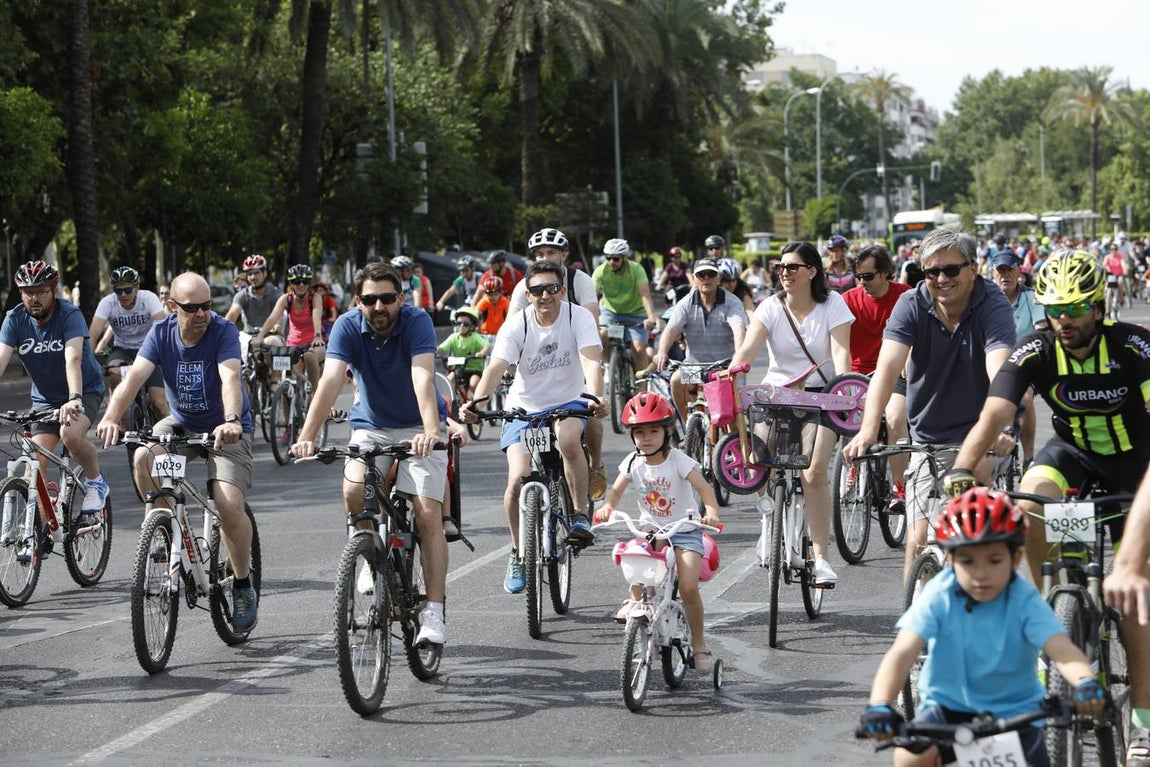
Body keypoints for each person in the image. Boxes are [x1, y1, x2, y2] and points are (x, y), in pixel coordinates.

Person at [941, 249, 1150, 765]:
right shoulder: (1035, 347)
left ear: (1099, 307)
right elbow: (994, 414)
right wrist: (962, 470)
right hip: (1071, 456)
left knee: (1134, 602)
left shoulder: (1134, 347)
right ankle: (1040, 620)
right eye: (1056, 307)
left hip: (1135, 465)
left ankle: (1143, 719)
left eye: (1076, 307)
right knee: (1028, 503)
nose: (1065, 319)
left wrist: (1130, 562)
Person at [859, 488, 1108, 767]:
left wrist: (1086, 682)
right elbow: (902, 653)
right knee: (908, 757)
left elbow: (1063, 651)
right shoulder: (939, 595)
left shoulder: (1023, 600)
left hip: (1017, 714)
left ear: (1015, 559)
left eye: (994, 560)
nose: (980, 573)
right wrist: (880, 704)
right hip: (947, 710)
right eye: (967, 561)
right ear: (950, 561)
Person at [291, 261, 451, 646]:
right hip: (372, 426)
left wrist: (430, 431)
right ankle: (368, 554)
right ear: (357, 300)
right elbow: (331, 379)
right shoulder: (347, 326)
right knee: (353, 491)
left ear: (400, 297)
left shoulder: (417, 322)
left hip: (419, 426)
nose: (379, 307)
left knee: (428, 512)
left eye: (387, 299)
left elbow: (422, 377)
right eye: (369, 299)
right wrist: (307, 434)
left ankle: (434, 612)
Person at [843, 229, 1016, 583]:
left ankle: (982, 597)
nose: (941, 279)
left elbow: (998, 368)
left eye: (951, 270)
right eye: (931, 272)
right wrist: (865, 430)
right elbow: (888, 368)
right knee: (918, 541)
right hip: (927, 435)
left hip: (978, 433)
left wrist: (998, 428)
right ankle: (915, 623)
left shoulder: (992, 303)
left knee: (974, 521)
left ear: (973, 269)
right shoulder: (912, 304)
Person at [96, 273, 258, 632]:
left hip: (226, 430)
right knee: (143, 456)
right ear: (172, 307)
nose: (201, 314)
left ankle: (243, 584)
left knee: (228, 502)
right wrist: (110, 417)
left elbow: (230, 378)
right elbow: (134, 378)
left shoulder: (222, 332)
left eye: (206, 306)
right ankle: (163, 526)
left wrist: (231, 420)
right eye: (191, 308)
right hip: (182, 423)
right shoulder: (161, 333)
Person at [459, 260, 608, 594]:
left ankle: (581, 515)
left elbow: (591, 361)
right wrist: (477, 402)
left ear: (563, 291)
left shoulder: (577, 316)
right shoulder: (517, 324)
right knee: (516, 479)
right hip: (523, 408)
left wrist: (595, 396)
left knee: (569, 438)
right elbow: (497, 366)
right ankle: (517, 552)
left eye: (552, 288)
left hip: (569, 401)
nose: (545, 296)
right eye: (538, 290)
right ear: (527, 294)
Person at [730, 241, 854, 586]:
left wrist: (843, 390)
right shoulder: (770, 307)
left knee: (813, 473)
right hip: (777, 395)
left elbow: (842, 356)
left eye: (792, 267)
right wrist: (733, 373)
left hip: (823, 397)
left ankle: (821, 558)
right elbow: (748, 351)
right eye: (780, 267)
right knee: (758, 459)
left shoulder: (834, 305)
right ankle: (769, 523)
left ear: (812, 271)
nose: (784, 273)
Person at [593, 392, 720, 672]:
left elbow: (704, 488)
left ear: (667, 432)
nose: (646, 438)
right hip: (653, 529)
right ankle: (636, 601)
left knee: (688, 587)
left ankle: (699, 646)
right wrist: (607, 507)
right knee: (637, 559)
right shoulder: (632, 462)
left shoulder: (678, 460)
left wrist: (711, 511)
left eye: (653, 431)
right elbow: (615, 491)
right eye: (639, 432)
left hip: (685, 529)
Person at [0, 261, 108, 529]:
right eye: (28, 292)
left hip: (84, 391)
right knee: (34, 465)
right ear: (21, 293)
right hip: (45, 399)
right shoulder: (14, 319)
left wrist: (74, 397)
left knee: (70, 436)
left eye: (41, 291)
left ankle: (96, 481)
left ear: (54, 291)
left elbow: (72, 359)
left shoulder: (69, 315)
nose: (34, 298)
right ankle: (41, 529)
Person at [508, 227, 607, 500]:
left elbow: (591, 324)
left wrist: (592, 381)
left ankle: (595, 465)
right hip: (539, 368)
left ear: (564, 254)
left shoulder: (580, 281)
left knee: (593, 410)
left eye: (552, 252)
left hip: (577, 359)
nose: (546, 257)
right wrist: (507, 364)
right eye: (540, 253)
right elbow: (512, 326)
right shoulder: (523, 286)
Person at [840, 244, 912, 510]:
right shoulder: (848, 300)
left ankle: (899, 486)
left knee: (895, 416)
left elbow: (919, 330)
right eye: (857, 276)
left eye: (868, 276)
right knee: (848, 415)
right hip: (858, 373)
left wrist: (910, 354)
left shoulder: (906, 296)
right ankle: (852, 467)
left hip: (893, 371)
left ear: (885, 274)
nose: (862, 282)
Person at [653, 258, 747, 421]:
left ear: (718, 278)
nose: (706, 278)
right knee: (676, 380)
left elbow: (738, 328)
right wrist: (661, 352)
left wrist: (738, 358)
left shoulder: (732, 302)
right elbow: (671, 329)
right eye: (701, 274)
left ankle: (734, 442)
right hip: (694, 367)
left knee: (732, 421)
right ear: (695, 279)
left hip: (724, 368)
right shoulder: (686, 303)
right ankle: (691, 428)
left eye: (711, 274)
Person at [88, 266, 169, 419]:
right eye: (118, 291)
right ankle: (116, 418)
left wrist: (165, 353)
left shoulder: (148, 299)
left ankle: (168, 432)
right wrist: (88, 361)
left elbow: (162, 327)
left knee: (159, 403)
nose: (123, 295)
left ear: (137, 287)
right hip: (122, 348)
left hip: (149, 348)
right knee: (113, 373)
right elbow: (93, 333)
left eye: (128, 290)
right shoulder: (107, 303)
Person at [989, 248, 1045, 465]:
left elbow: (1041, 331)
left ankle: (1028, 457)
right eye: (1000, 270)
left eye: (1010, 270)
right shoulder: (984, 301)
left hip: (1027, 364)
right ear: (992, 273)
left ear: (1019, 271)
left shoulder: (1031, 297)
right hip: (993, 364)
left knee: (1025, 398)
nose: (1005, 275)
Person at [253, 263, 324, 391]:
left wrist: (317, 336)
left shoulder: (315, 298)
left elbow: (316, 316)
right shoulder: (286, 299)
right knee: (287, 381)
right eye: (297, 282)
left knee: (309, 355)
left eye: (305, 281)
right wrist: (260, 336)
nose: (301, 285)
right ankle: (288, 409)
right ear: (292, 284)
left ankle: (316, 393)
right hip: (293, 344)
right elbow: (273, 317)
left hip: (314, 342)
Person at [592, 238, 659, 373]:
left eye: (616, 259)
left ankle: (642, 388)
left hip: (636, 314)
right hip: (611, 313)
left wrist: (651, 317)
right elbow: (592, 296)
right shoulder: (600, 271)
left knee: (639, 349)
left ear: (624, 258)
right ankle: (608, 366)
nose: (611, 262)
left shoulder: (636, 270)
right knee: (601, 334)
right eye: (608, 258)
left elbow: (645, 295)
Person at [225, 254, 283, 340]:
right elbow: (231, 316)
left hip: (271, 337)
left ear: (265, 273)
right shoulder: (242, 295)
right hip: (248, 338)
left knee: (271, 342)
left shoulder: (276, 294)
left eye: (256, 273)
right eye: (250, 274)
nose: (253, 277)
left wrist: (277, 325)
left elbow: (280, 316)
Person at [436, 306, 489, 400]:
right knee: (448, 381)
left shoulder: (475, 337)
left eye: (465, 324)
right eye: (458, 323)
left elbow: (486, 346)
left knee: (473, 384)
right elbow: (442, 348)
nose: (461, 326)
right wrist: (435, 351)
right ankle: (450, 404)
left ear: (472, 326)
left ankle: (477, 404)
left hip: (474, 369)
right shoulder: (453, 337)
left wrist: (481, 353)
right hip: (458, 368)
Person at [475, 275, 510, 340]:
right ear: (485, 294)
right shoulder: (484, 301)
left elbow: (511, 316)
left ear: (500, 293)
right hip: (485, 334)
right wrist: (478, 330)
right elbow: (476, 313)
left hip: (500, 334)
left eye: (496, 294)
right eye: (490, 294)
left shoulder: (505, 301)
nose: (493, 297)